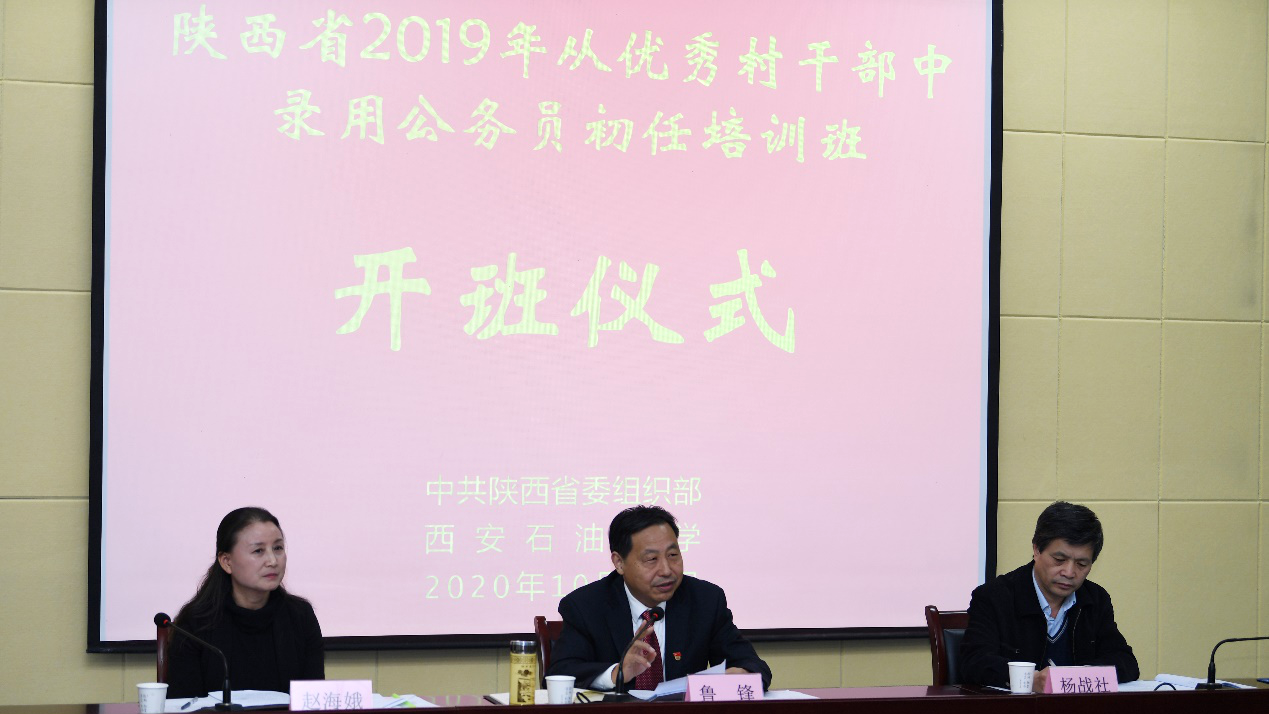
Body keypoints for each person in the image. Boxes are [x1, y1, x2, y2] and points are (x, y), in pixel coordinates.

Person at [547, 505, 772, 690]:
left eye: (673, 555)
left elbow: (754, 666)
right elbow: (559, 674)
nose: (666, 570)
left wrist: (741, 674)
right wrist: (618, 673)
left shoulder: (705, 600)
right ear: (619, 563)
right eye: (651, 559)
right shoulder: (585, 606)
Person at [960, 501, 1139, 691]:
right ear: (1037, 550)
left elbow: (1125, 662)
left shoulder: (1095, 599)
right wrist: (1031, 679)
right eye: (1059, 560)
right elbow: (974, 662)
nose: (1069, 572)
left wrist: (1075, 677)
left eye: (1081, 564)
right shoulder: (994, 597)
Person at [167, 507, 324, 698]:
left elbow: (314, 699)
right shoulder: (196, 623)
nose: (272, 561)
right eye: (258, 551)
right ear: (227, 562)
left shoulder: (300, 616)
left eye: (278, 548)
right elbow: (183, 702)